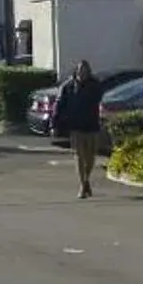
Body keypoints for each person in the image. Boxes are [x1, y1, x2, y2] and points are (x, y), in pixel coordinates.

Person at [51, 60, 106, 198]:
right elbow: (58, 106)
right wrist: (55, 124)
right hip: (75, 126)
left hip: (92, 125)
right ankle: (83, 185)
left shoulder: (95, 85)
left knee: (90, 158)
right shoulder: (68, 86)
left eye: (85, 70)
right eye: (80, 70)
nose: (83, 73)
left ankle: (87, 178)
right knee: (79, 156)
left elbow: (100, 101)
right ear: (76, 71)